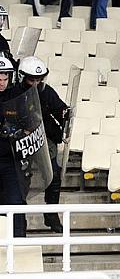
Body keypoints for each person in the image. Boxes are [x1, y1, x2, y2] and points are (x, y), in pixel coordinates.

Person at [17, 56, 69, 233]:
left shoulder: (46, 92)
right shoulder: (14, 93)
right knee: (20, 181)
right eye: (31, 79)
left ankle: (51, 214)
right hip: (20, 141)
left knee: (54, 175)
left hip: (44, 139)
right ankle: (19, 220)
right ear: (22, 77)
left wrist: (65, 113)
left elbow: (60, 108)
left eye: (39, 79)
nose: (35, 83)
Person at [0, 57, 26, 237]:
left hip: (11, 160)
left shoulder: (17, 96)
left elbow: (29, 120)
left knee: (16, 202)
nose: (1, 83)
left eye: (4, 79)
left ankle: (19, 244)